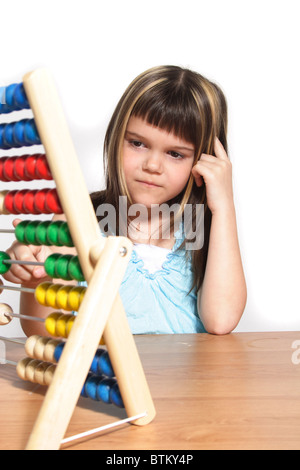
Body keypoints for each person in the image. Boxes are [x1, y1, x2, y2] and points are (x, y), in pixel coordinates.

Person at [3, 65, 247, 336]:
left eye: (175, 154)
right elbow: (44, 333)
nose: (153, 165)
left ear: (204, 160)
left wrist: (224, 206)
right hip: (106, 377)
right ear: (117, 138)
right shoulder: (79, 221)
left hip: (189, 379)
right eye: (138, 143)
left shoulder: (203, 231)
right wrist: (39, 271)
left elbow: (220, 321)